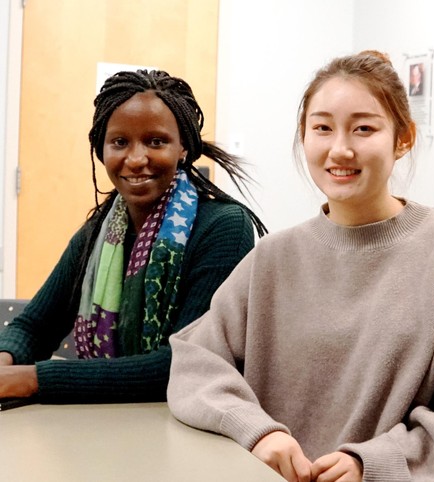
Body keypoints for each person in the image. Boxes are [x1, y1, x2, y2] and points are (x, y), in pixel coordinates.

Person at [167, 51, 434, 482]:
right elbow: (195, 361)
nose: (339, 149)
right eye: (322, 128)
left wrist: (376, 462)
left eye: (364, 128)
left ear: (404, 138)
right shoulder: (273, 258)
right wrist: (258, 433)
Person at [0, 69, 266, 404]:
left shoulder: (224, 228)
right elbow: (33, 326)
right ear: (102, 150)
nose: (136, 159)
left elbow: (182, 363)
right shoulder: (99, 231)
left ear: (183, 147)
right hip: (105, 424)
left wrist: (32, 379)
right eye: (120, 142)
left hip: (186, 428)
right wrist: (5, 362)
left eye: (156, 141)